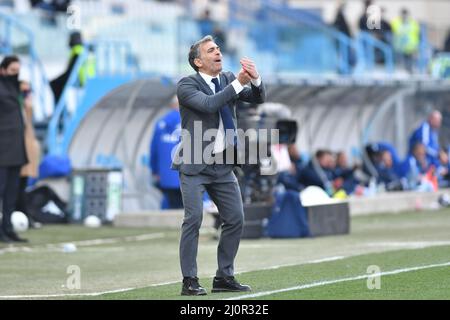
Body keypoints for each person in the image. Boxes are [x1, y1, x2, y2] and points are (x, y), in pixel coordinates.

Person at [172, 35, 265, 295]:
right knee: (194, 219)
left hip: (222, 164)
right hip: (194, 164)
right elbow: (210, 104)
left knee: (235, 218)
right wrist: (238, 83)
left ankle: (224, 277)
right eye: (211, 50)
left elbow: (257, 98)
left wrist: (255, 79)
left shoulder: (226, 80)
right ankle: (189, 280)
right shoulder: (186, 85)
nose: (218, 52)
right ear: (198, 62)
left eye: (218, 48)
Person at [0, 56, 29, 243]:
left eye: (18, 71)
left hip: (16, 148)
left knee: (12, 193)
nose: (15, 75)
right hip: (2, 148)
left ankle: (8, 229)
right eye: (12, 71)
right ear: (2, 70)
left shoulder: (17, 88)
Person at [16, 81, 42, 228]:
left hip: (26, 150)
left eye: (28, 91)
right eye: (24, 92)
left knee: (21, 186)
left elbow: (29, 113)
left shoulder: (26, 108)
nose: (27, 95)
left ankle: (24, 214)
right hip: (14, 152)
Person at [149, 95, 183, 209]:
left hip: (166, 175)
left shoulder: (161, 123)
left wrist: (155, 170)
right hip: (187, 174)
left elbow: (154, 149)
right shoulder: (191, 120)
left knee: (170, 203)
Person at [50, 31, 95, 103]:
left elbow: (71, 70)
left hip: (80, 79)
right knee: (59, 83)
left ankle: (60, 110)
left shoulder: (77, 50)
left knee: (54, 84)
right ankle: (61, 109)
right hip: (89, 78)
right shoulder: (84, 49)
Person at [391, 8, 420, 72]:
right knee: (400, 62)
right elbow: (395, 31)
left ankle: (409, 70)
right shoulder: (396, 22)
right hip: (399, 46)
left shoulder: (413, 22)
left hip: (411, 46)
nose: (404, 16)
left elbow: (417, 33)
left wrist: (416, 45)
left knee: (410, 61)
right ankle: (403, 70)